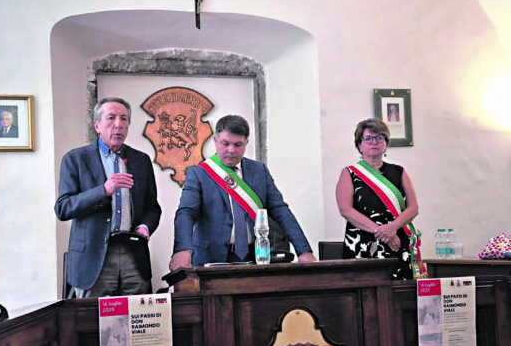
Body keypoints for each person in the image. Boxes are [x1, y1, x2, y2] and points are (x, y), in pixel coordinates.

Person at [170, 114, 316, 270]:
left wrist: (304, 250)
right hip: (211, 258)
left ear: (246, 143)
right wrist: (182, 249)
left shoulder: (259, 171)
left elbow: (280, 210)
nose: (231, 150)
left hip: (255, 258)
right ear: (215, 140)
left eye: (238, 144)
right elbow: (186, 213)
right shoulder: (199, 173)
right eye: (225, 143)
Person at [55, 97, 161, 297]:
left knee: (137, 315)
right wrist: (103, 190)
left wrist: (145, 227)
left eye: (124, 119)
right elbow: (63, 208)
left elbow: (152, 208)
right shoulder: (76, 159)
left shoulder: (141, 160)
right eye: (111, 118)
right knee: (92, 316)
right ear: (97, 125)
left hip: (133, 254)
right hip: (93, 257)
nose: (118, 124)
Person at [335, 118, 419, 279]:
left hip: (397, 242)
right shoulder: (349, 173)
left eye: (379, 137)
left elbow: (413, 207)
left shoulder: (399, 171)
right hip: (363, 242)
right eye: (368, 138)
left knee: (399, 289)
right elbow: (345, 210)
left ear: (386, 144)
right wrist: (381, 231)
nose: (374, 142)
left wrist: (392, 227)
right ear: (359, 145)